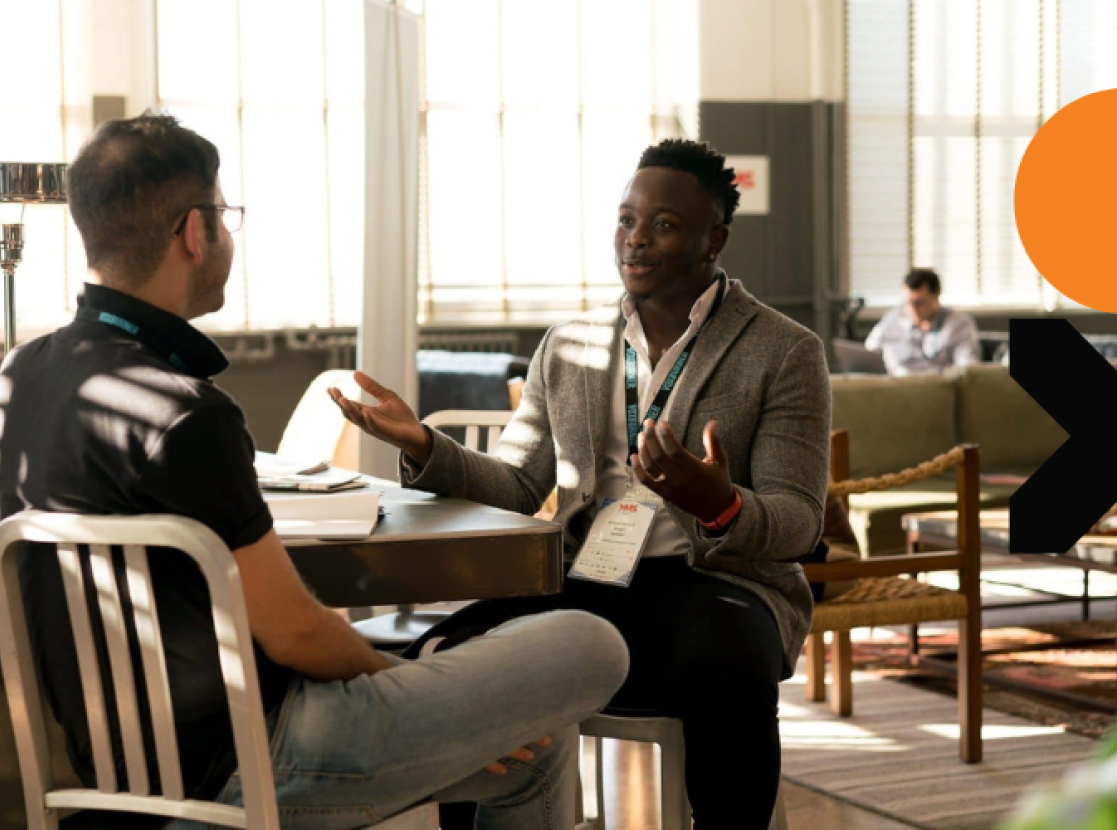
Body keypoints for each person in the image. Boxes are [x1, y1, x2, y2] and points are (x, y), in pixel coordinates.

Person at [0, 113, 628, 830]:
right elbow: (295, 634)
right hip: (257, 763)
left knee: (533, 750)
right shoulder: (189, 414)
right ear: (193, 232)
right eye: (225, 216)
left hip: (120, 770)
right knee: (589, 641)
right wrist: (403, 684)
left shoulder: (23, 375)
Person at [331, 139, 831, 829]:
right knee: (447, 658)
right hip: (583, 581)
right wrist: (420, 444)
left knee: (728, 663)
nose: (635, 240)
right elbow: (514, 483)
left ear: (713, 239)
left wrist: (716, 501)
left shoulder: (783, 350)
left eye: (663, 224)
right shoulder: (566, 344)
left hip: (716, 583)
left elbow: (799, 519)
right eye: (625, 220)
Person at [864, 268, 982, 376]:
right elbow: (867, 354)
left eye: (919, 303)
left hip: (934, 387)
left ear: (936, 294)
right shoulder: (893, 319)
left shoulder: (958, 324)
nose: (913, 310)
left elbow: (968, 368)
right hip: (893, 387)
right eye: (908, 302)